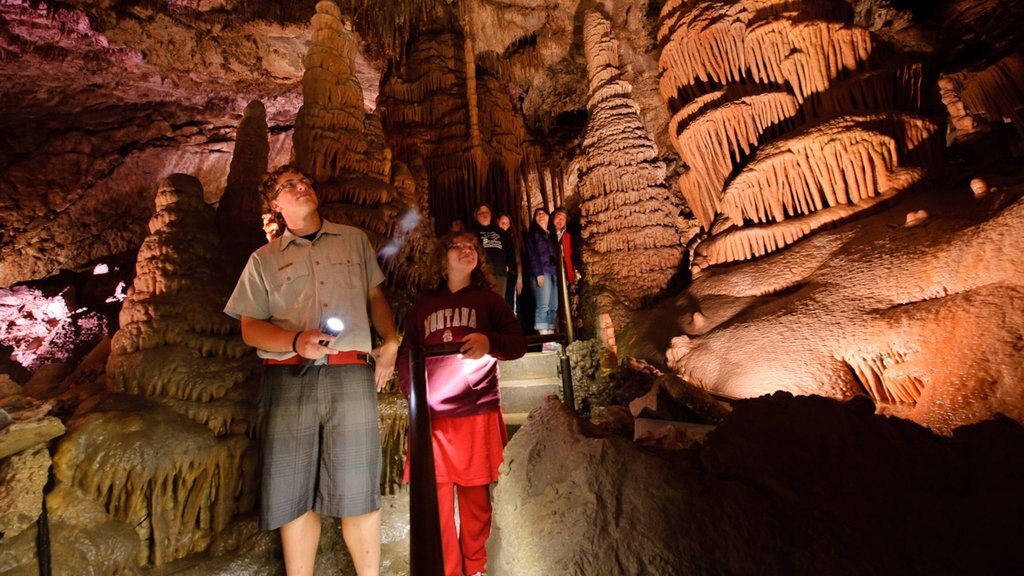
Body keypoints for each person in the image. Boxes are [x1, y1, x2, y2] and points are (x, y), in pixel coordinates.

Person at [224, 165, 399, 576]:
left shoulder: (354, 241)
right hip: (288, 376)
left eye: (303, 182)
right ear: (275, 205)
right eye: (288, 186)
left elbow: (375, 296)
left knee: (359, 485)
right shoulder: (263, 260)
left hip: (350, 373)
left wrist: (390, 341)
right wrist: (294, 341)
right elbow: (249, 328)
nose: (300, 187)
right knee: (292, 488)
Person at [397, 230, 527, 576]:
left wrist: (490, 342)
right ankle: (448, 571)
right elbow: (406, 355)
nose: (467, 251)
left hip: (476, 411)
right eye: (458, 246)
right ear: (443, 258)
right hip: (433, 418)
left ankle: (477, 568)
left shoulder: (489, 301)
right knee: (436, 502)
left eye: (473, 248)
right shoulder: (423, 307)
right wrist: (414, 398)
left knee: (476, 502)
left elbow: (517, 344)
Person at [524, 207, 559, 336]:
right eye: (537, 214)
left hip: (553, 273)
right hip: (542, 272)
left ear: (548, 217)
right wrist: (538, 273)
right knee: (543, 305)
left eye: (543, 213)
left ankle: (550, 334)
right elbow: (533, 254)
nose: (540, 216)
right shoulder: (533, 234)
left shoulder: (551, 235)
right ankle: (544, 336)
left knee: (552, 306)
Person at [471, 203, 515, 299]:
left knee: (498, 302)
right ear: (476, 215)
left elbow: (510, 250)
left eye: (487, 212)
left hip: (499, 273)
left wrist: (508, 265)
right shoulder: (472, 232)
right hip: (481, 274)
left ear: (491, 215)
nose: (484, 214)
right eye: (481, 212)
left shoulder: (501, 232)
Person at [496, 213, 523, 315]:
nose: (504, 226)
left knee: (509, 303)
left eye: (507, 223)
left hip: (510, 275)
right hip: (497, 274)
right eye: (502, 223)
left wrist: (519, 278)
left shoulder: (511, 239)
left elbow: (517, 260)